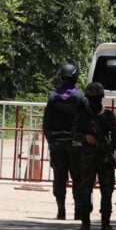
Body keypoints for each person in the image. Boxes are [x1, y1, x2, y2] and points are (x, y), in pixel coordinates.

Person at [73, 82, 116, 230]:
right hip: (88, 158)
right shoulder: (82, 114)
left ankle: (105, 224)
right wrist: (86, 137)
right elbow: (74, 133)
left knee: (107, 192)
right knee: (85, 191)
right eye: (91, 98)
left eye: (97, 97)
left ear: (101, 98)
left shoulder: (108, 115)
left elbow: (115, 139)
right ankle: (85, 223)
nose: (94, 100)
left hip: (104, 159)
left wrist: (109, 152)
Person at [42, 64, 84, 220]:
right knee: (77, 177)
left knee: (59, 177)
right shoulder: (80, 97)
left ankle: (61, 210)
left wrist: (51, 141)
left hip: (57, 144)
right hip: (75, 144)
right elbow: (85, 121)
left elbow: (46, 124)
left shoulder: (53, 97)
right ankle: (78, 210)